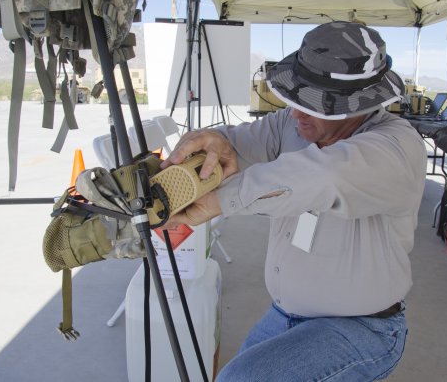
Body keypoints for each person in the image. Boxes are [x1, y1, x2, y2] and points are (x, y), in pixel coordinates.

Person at [161, 21, 427, 381]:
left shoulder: (396, 148)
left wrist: (220, 202)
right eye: (297, 98)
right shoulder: (295, 123)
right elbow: (237, 143)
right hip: (286, 313)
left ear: (359, 105)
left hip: (362, 328)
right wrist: (211, 141)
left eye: (316, 104)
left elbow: (320, 176)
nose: (297, 112)